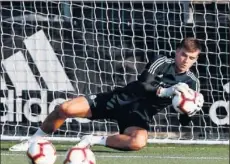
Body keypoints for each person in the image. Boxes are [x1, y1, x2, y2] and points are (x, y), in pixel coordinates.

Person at [9, 37, 204, 152]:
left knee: (138, 142)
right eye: (183, 55)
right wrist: (166, 91)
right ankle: (34, 141)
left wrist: (190, 111)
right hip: (119, 99)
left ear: (196, 59)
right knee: (64, 108)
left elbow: (183, 121)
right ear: (177, 51)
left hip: (139, 115)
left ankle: (93, 139)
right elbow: (145, 83)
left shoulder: (192, 83)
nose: (186, 60)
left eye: (191, 58)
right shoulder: (162, 61)